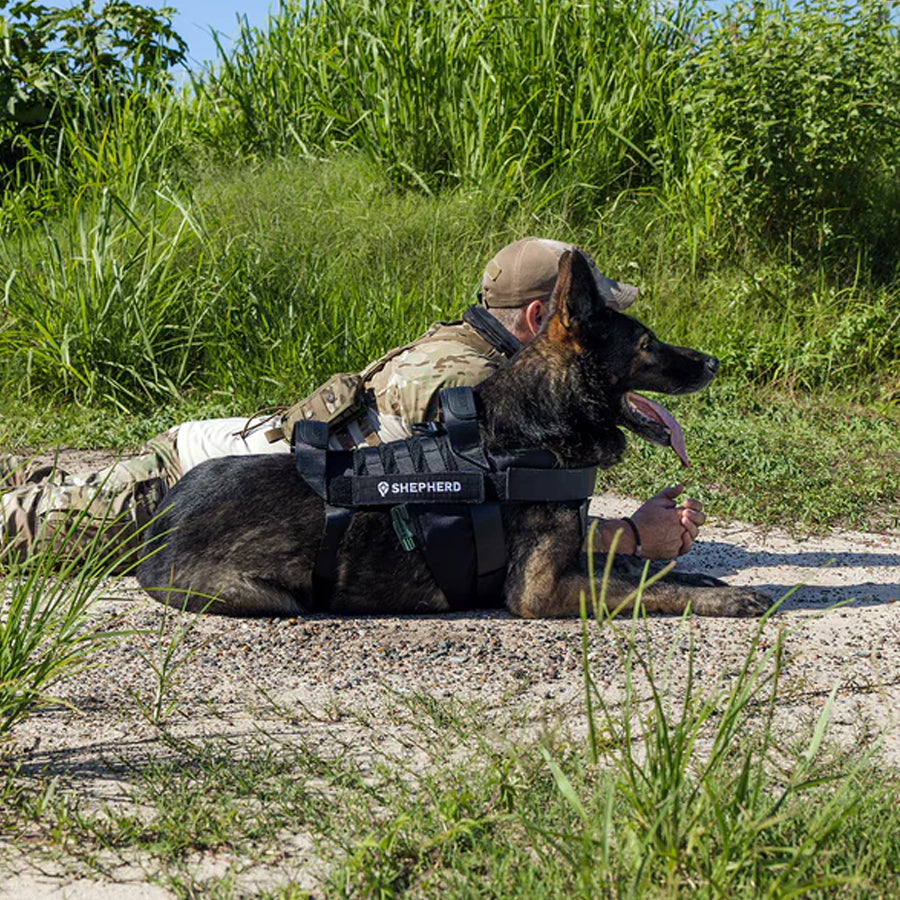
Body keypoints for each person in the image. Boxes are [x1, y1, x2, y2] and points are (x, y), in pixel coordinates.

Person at [0, 237, 705, 567]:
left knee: (49, 493)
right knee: (22, 530)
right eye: (593, 316)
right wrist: (629, 537)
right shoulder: (459, 386)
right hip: (194, 494)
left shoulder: (481, 356)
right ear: (541, 320)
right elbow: (483, 519)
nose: (602, 331)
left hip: (228, 475)